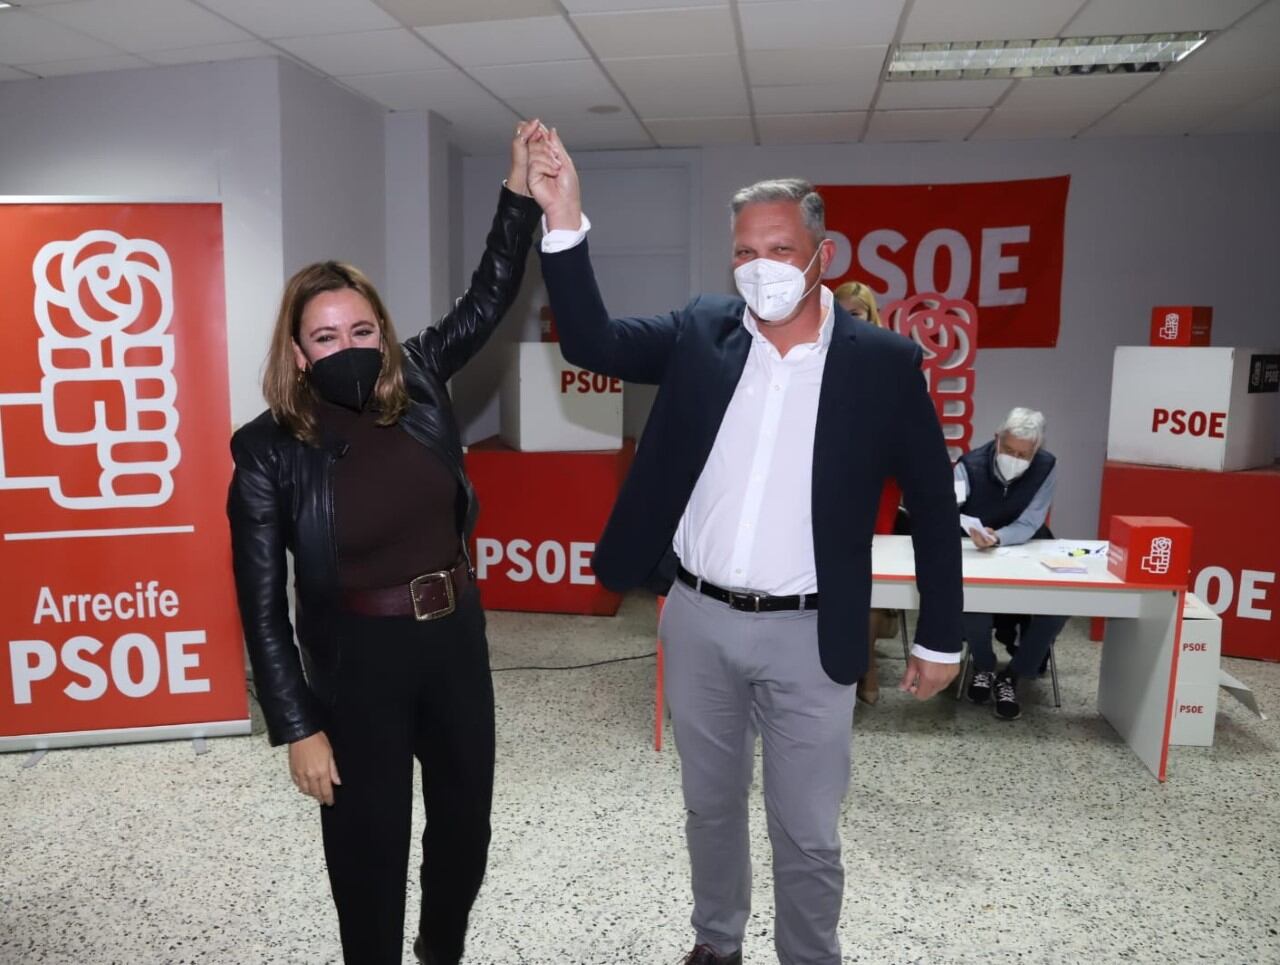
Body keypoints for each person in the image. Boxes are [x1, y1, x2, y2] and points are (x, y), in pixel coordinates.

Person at [526, 135, 963, 965]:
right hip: (697, 618)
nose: (760, 268)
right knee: (709, 807)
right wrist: (563, 218)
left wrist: (941, 633)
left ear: (821, 255)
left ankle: (808, 955)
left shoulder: (883, 363)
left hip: (810, 633)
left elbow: (934, 507)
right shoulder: (703, 330)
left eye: (780, 250)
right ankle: (716, 943)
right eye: (745, 253)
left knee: (807, 829)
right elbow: (592, 343)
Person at [226, 121, 548, 965]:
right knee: (368, 854)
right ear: (297, 353)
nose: (348, 347)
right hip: (353, 666)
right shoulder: (265, 450)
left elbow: (490, 293)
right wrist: (297, 724)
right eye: (326, 337)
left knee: (463, 829)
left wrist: (518, 192)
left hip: (452, 645)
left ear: (383, 331)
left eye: (361, 330)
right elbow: (260, 608)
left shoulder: (425, 382)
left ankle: (441, 951)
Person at [956, 406, 1068, 721]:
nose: (1014, 458)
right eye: (1008, 449)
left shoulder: (1047, 467)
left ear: (1036, 451)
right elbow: (950, 510)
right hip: (973, 547)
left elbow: (1032, 520)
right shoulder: (969, 465)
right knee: (970, 598)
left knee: (1060, 606)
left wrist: (999, 538)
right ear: (996, 438)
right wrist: (974, 533)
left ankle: (1015, 673)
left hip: (1027, 545)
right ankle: (984, 664)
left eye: (1023, 454)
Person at [832, 279, 898, 704]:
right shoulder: (816, 355)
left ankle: (868, 666)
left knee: (870, 578)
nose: (845, 320)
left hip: (877, 481)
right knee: (831, 573)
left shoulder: (889, 356)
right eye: (839, 312)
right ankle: (836, 662)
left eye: (854, 313)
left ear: (870, 315)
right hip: (832, 478)